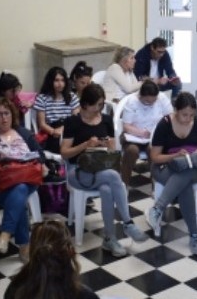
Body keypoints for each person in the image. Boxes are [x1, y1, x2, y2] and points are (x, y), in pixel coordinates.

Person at [61, 84, 148, 257]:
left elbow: (113, 152)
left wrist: (109, 146)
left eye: (102, 105)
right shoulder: (72, 122)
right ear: (86, 104)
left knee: (107, 189)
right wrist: (86, 145)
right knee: (114, 176)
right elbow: (64, 154)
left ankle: (110, 238)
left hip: (101, 168)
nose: (100, 108)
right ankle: (128, 223)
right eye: (98, 104)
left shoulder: (106, 120)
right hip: (78, 171)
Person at [0, 97, 46, 261]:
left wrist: (26, 158)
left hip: (25, 177)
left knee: (18, 189)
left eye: (7, 113)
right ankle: (24, 245)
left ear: (13, 115)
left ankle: (5, 234)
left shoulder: (23, 133)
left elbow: (41, 154)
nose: (4, 118)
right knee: (19, 196)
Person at [147, 92, 197, 256]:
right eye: (184, 114)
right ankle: (194, 235)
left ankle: (158, 208)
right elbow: (155, 157)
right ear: (175, 110)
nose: (188, 118)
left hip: (196, 167)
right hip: (167, 167)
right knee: (184, 184)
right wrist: (174, 156)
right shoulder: (164, 124)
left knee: (185, 176)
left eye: (192, 115)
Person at [119, 79, 173, 186]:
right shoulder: (132, 101)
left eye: (154, 101)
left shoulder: (162, 98)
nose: (151, 104)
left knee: (153, 150)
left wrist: (160, 129)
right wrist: (141, 133)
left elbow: (171, 116)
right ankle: (124, 184)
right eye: (147, 102)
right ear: (141, 96)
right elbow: (126, 126)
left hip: (154, 137)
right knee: (132, 151)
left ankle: (156, 184)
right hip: (133, 136)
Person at [33, 66, 80, 154]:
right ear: (50, 81)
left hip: (69, 127)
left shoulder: (71, 96)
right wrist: (53, 131)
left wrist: (63, 128)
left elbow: (76, 118)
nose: (60, 84)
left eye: (62, 80)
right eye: (56, 80)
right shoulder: (42, 98)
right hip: (51, 130)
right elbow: (42, 124)